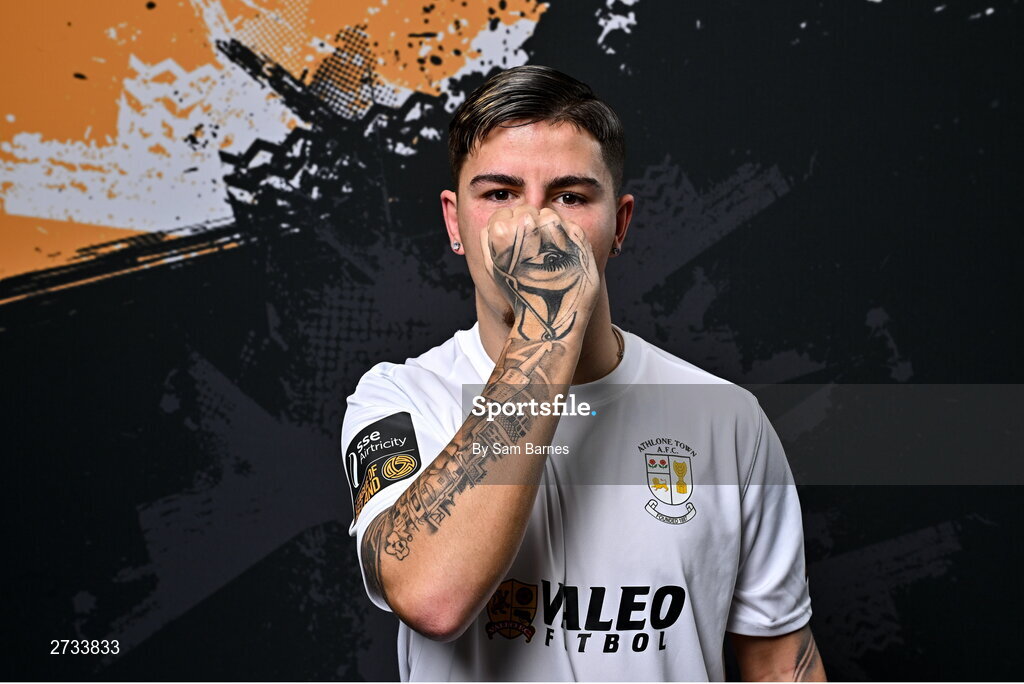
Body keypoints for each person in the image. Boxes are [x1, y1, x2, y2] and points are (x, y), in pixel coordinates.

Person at [341, 65, 826, 681]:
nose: (536, 228)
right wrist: (549, 326)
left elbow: (782, 666)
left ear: (618, 225)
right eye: (499, 195)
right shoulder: (400, 398)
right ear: (454, 222)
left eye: (570, 197)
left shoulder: (725, 419)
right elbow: (431, 597)